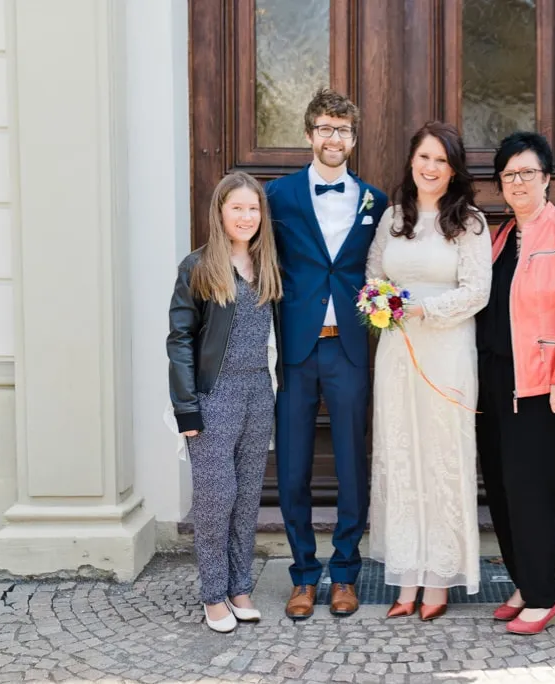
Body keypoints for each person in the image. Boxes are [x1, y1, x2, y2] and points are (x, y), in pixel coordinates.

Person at [265, 88, 388, 620]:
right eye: (325, 128)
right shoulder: (280, 197)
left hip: (350, 352)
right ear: (310, 133)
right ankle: (302, 575)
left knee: (350, 465)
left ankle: (344, 573)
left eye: (343, 130)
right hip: (296, 349)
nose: (333, 138)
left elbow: (380, 271)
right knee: (291, 468)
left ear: (353, 139)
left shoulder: (375, 201)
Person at [476, 131, 555, 635]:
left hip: (547, 386)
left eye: (528, 172)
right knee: (503, 490)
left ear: (547, 178)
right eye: (509, 174)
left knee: (532, 491)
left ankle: (546, 595)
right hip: (495, 382)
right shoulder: (499, 236)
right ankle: (526, 581)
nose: (518, 181)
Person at [365, 122, 491, 621]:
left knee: (441, 454)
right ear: (411, 162)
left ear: (454, 168)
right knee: (401, 452)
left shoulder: (470, 223)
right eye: (424, 157)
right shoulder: (393, 219)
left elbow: (476, 291)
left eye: (441, 159)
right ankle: (406, 575)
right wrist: (382, 303)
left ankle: (438, 578)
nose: (431, 167)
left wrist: (424, 310)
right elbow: (374, 275)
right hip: (397, 351)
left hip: (447, 350)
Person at [166, 172, 284, 633]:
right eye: (237, 207)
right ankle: (213, 595)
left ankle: (239, 586)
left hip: (259, 392)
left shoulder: (267, 264)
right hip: (214, 395)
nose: (246, 216)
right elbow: (179, 339)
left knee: (247, 498)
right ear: (220, 212)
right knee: (217, 498)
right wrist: (186, 407)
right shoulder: (197, 267)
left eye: (253, 208)